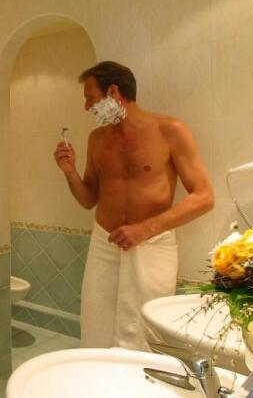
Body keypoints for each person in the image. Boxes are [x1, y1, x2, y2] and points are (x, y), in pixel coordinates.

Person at [53, 61, 213, 350]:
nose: (86, 107)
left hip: (152, 245)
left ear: (114, 92)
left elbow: (204, 197)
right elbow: (88, 199)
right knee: (96, 325)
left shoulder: (170, 130)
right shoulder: (97, 139)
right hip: (104, 244)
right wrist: (69, 171)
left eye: (90, 98)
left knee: (146, 331)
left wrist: (144, 229)